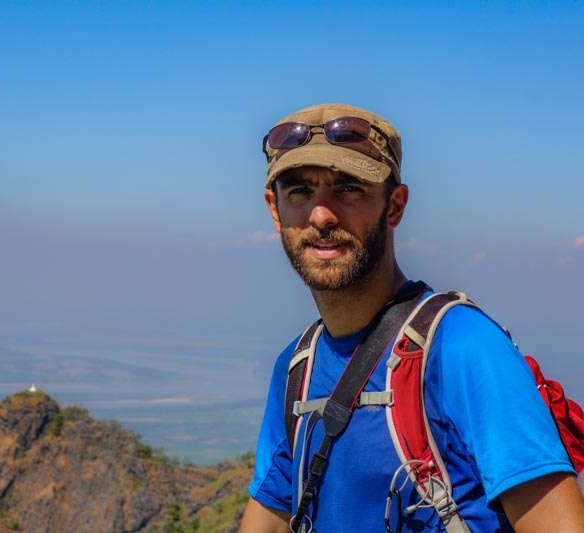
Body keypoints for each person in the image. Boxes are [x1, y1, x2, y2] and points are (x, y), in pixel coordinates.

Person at [239, 103, 584, 532]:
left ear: (395, 206)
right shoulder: (297, 368)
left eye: (349, 189)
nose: (322, 215)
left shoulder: (462, 346)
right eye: (299, 192)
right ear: (276, 211)